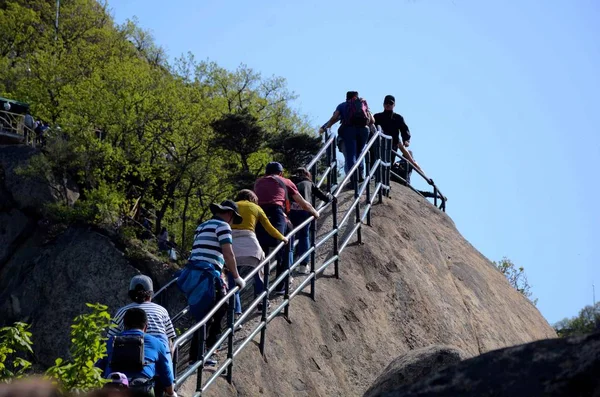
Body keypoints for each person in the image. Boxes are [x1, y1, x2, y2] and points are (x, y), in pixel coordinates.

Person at [176, 200, 245, 363]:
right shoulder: (223, 227)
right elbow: (228, 254)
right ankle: (204, 351)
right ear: (229, 214)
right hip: (207, 275)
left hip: (193, 273)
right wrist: (236, 277)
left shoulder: (202, 226)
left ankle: (204, 350)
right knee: (214, 311)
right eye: (233, 218)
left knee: (208, 312)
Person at [254, 162, 320, 294]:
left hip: (259, 216)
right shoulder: (285, 181)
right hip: (276, 213)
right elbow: (302, 202)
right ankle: (282, 285)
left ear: (266, 172)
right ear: (281, 173)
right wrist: (315, 212)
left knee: (262, 254)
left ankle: (260, 291)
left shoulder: (258, 182)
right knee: (284, 245)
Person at [231, 189, 288, 314]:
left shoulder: (232, 207)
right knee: (259, 273)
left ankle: (235, 312)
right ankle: (261, 301)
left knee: (232, 279)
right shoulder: (255, 208)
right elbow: (269, 228)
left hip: (232, 245)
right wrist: (282, 237)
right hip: (250, 242)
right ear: (252, 199)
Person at [97, 308, 176, 397]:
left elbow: (98, 368)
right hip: (142, 389)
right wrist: (171, 393)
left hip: (114, 390)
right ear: (146, 327)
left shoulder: (111, 341)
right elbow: (166, 373)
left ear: (124, 325)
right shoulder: (157, 343)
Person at [107, 275, 176, 354]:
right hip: (157, 357)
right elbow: (170, 340)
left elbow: (110, 340)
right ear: (151, 294)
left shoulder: (122, 311)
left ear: (130, 294)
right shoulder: (161, 311)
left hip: (129, 358)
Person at [319, 91, 375, 184]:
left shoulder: (343, 105)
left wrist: (326, 126)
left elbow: (335, 117)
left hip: (349, 130)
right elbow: (372, 120)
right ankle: (360, 176)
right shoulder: (362, 104)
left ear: (346, 97)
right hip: (364, 130)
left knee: (351, 154)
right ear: (357, 97)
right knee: (359, 153)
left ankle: (353, 179)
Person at [290, 168, 332, 274]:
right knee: (304, 235)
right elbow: (321, 195)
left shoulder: (289, 182)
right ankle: (303, 265)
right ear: (307, 174)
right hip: (303, 210)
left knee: (290, 237)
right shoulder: (308, 182)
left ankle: (288, 268)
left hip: (289, 211)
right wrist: (330, 198)